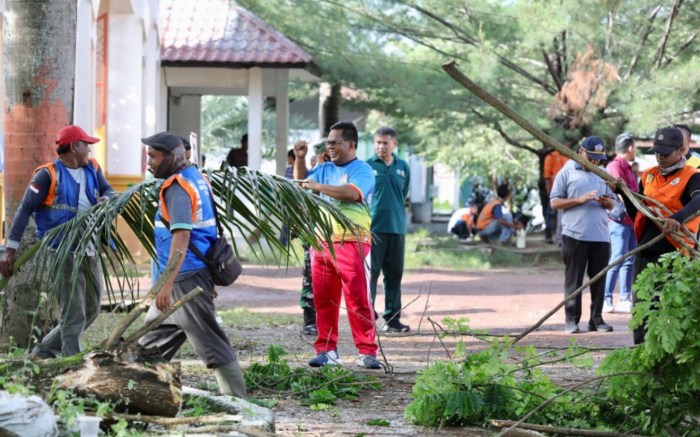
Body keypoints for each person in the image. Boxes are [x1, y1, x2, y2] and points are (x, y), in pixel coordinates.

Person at [138, 132, 246, 398]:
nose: (149, 162)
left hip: (183, 278)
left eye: (153, 157)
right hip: (190, 275)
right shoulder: (197, 179)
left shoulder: (176, 187)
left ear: (171, 157)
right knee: (151, 342)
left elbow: (183, 234)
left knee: (211, 342)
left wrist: (167, 283)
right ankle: (141, 393)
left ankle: (240, 403)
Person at [0, 125, 113, 358]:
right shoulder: (47, 175)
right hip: (61, 251)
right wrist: (10, 250)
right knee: (73, 313)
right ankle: (72, 363)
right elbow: (24, 211)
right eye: (86, 144)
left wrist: (106, 199)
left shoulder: (92, 168)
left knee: (91, 309)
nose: (90, 149)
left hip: (89, 248)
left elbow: (109, 191)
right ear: (74, 147)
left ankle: (42, 352)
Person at [293, 121, 380, 369]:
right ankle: (327, 350)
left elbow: (352, 193)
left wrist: (318, 186)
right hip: (321, 242)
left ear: (351, 145)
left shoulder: (362, 170)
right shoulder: (324, 169)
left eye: (335, 143)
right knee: (323, 299)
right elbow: (301, 184)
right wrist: (300, 160)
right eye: (328, 143)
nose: (330, 147)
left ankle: (367, 352)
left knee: (358, 298)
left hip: (353, 241)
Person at [631, 126, 700, 344]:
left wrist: (677, 218)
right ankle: (641, 351)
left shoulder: (693, 177)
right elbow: (637, 212)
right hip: (647, 249)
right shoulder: (648, 175)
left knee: (671, 306)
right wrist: (621, 194)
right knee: (643, 305)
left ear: (681, 151)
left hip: (677, 252)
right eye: (657, 153)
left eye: (666, 153)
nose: (660, 157)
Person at [550, 136, 616, 334]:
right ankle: (572, 320)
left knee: (599, 280)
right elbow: (554, 202)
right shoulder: (566, 172)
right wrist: (579, 200)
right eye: (592, 157)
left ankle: (596, 319)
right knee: (574, 281)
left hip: (601, 235)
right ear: (580, 152)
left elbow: (612, 204)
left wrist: (606, 202)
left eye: (598, 158)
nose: (595, 162)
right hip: (575, 235)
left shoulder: (603, 174)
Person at [367, 126, 411, 333]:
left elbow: (404, 192)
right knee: (371, 274)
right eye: (378, 142)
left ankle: (393, 318)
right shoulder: (367, 166)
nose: (381, 146)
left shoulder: (403, 166)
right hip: (373, 228)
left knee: (394, 274)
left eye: (385, 143)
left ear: (394, 144)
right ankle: (367, 317)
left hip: (397, 228)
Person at [602, 133, 638, 314]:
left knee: (629, 260)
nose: (636, 150)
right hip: (619, 220)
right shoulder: (614, 166)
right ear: (630, 148)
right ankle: (606, 298)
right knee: (617, 258)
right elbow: (621, 192)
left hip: (631, 220)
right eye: (635, 146)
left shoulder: (629, 168)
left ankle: (624, 298)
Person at [298, 138, 330, 336]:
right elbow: (300, 181)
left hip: (334, 235)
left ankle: (327, 318)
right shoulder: (316, 174)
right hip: (313, 234)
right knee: (311, 277)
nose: (326, 157)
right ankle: (310, 319)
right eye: (323, 154)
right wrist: (300, 159)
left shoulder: (339, 172)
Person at [544, 143, 570, 245]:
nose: (567, 147)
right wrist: (549, 190)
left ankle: (560, 238)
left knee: (561, 215)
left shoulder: (568, 157)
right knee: (551, 213)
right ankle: (549, 235)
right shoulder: (551, 156)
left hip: (565, 191)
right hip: (554, 190)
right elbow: (547, 175)